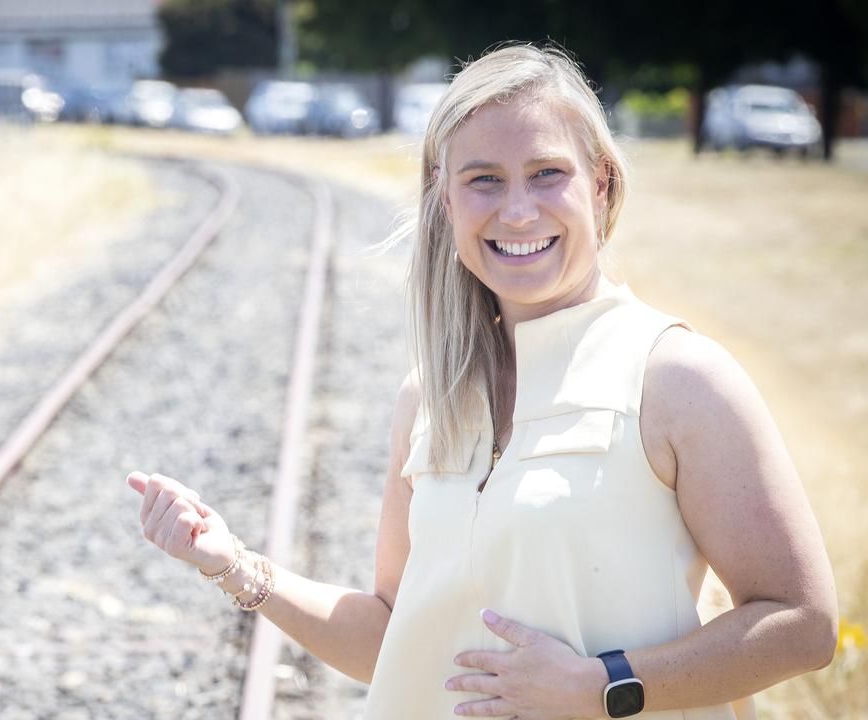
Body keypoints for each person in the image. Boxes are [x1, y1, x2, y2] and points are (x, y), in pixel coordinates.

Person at [125, 43, 837, 719]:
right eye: (484, 180)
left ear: (602, 184)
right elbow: (393, 637)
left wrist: (604, 685)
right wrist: (235, 565)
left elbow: (802, 624)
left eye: (547, 173)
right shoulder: (432, 396)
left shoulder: (678, 379)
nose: (518, 210)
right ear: (446, 200)